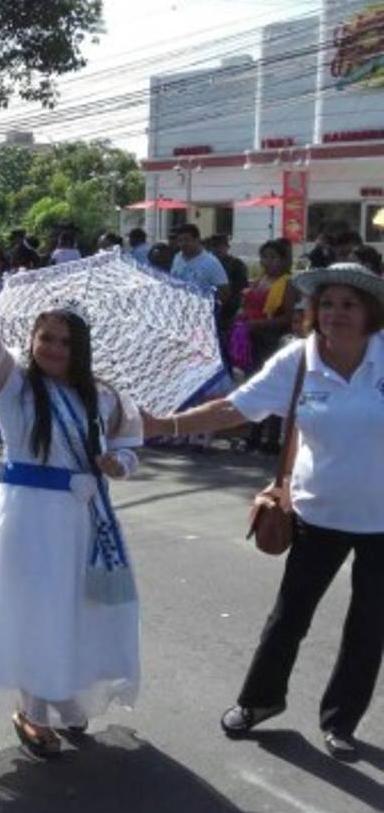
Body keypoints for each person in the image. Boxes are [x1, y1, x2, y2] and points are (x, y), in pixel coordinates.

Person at [0, 232, 144, 758]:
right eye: (46, 339)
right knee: (33, 610)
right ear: (33, 340)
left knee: (74, 610)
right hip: (26, 518)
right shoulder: (14, 386)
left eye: (65, 342)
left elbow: (129, 444)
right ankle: (32, 708)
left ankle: (63, 692)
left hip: (83, 520)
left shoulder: (103, 395)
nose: (54, 349)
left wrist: (119, 464)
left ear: (79, 348)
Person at [145, 263, 384, 761]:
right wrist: (163, 424)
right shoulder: (298, 360)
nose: (336, 313)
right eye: (327, 303)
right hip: (317, 514)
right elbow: (234, 408)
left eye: (349, 304)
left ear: (370, 313)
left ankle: (341, 722)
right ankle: (259, 701)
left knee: (369, 626)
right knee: (288, 618)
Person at [232, 239, 298, 454]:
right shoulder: (260, 280)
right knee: (253, 386)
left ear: (285, 260)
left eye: (273, 257)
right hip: (252, 340)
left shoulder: (288, 283)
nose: (268, 262)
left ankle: (272, 440)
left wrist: (257, 324)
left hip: (272, 341)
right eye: (264, 257)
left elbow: (288, 318)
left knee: (273, 388)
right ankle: (254, 435)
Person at [171, 223, 230, 304]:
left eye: (187, 240)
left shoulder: (211, 263)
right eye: (180, 241)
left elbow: (224, 292)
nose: (183, 244)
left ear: (197, 240)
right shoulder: (177, 257)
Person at [206, 234, 249, 322]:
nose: (217, 249)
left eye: (220, 246)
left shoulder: (236, 264)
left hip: (229, 307)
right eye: (214, 246)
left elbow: (242, 287)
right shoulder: (207, 264)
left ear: (227, 247)